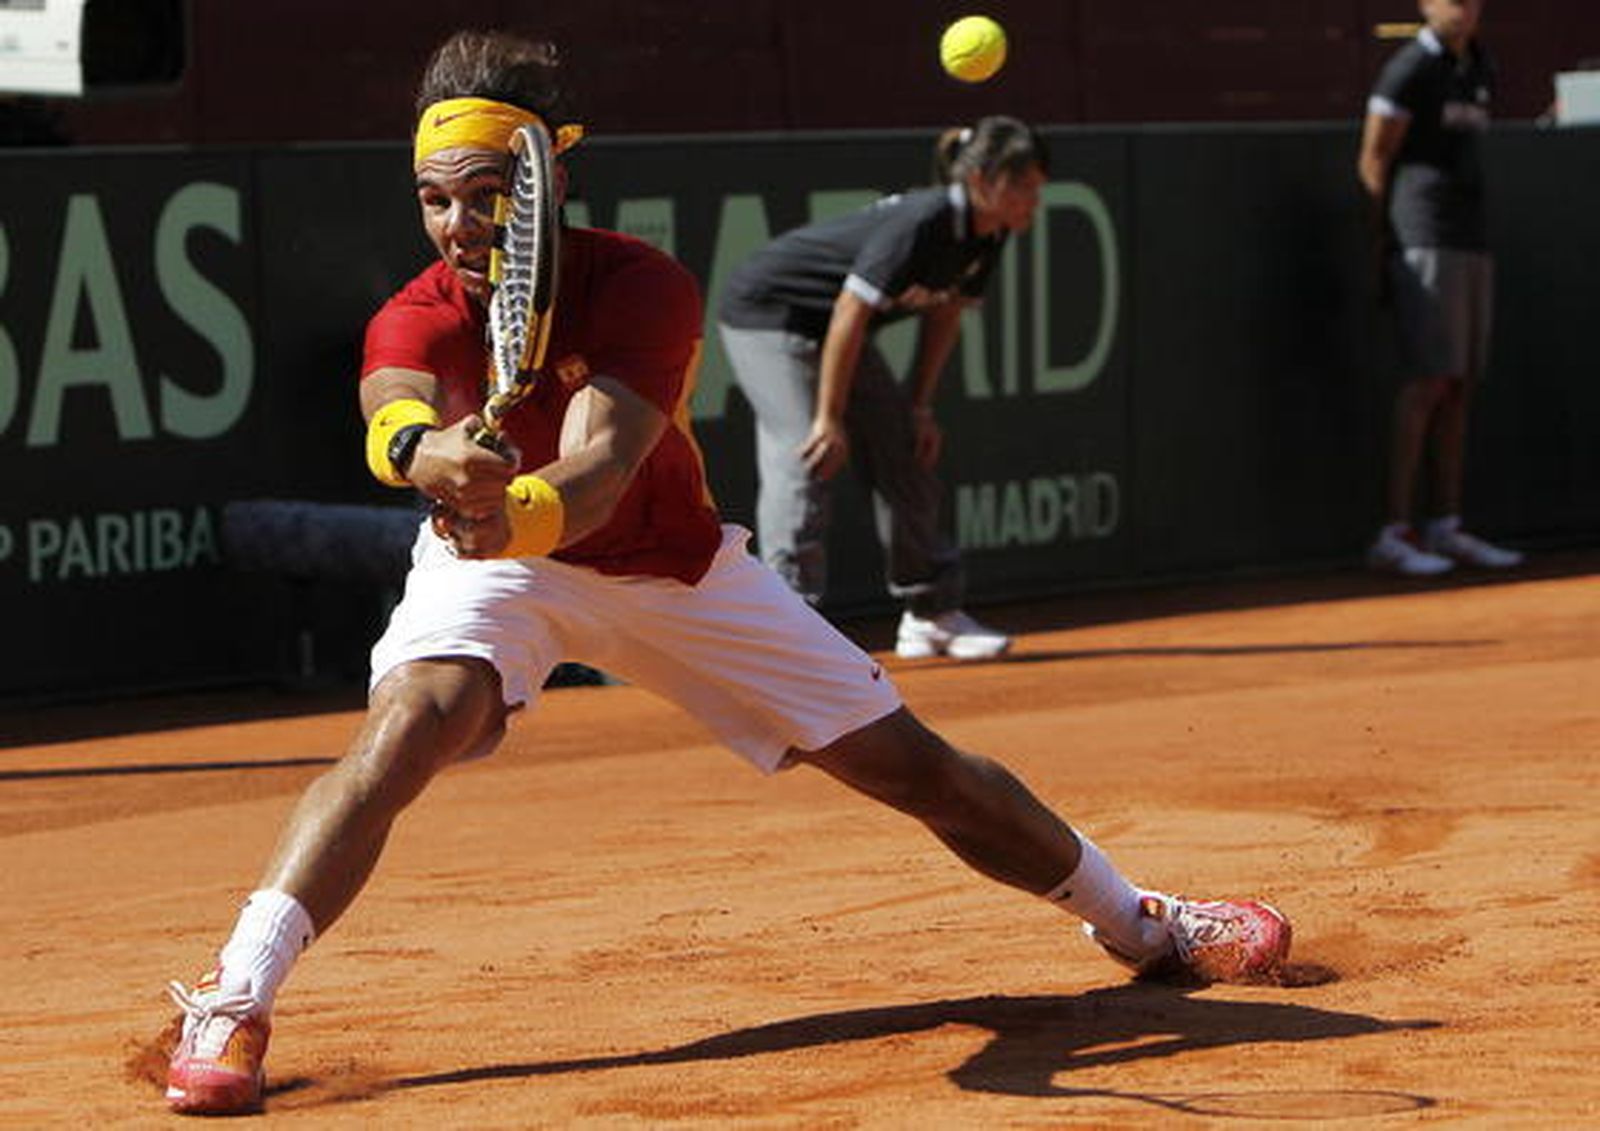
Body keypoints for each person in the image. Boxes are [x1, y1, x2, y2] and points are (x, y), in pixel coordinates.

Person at [160, 31, 1291, 1116]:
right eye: (434, 197)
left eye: (485, 191)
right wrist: (421, 449)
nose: (459, 223)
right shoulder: (414, 311)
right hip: (501, 576)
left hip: (672, 569)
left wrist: (517, 510)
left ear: (552, 174)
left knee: (915, 770)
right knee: (411, 724)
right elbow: (390, 399)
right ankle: (232, 1003)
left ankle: (1144, 926)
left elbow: (600, 474)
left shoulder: (642, 287)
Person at [716, 117, 1041, 660]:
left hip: (835, 328)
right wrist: (828, 416)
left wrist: (918, 407)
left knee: (904, 447)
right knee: (809, 453)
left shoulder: (991, 234)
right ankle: (790, 633)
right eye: (1023, 184)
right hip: (769, 314)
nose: (1035, 197)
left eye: (1038, 184)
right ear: (983, 179)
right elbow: (850, 309)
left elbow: (946, 312)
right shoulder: (922, 221)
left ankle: (931, 613)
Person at [1358, 0, 1523, 576]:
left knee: (1459, 385)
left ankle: (1445, 524)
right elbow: (1374, 158)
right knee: (1427, 380)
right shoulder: (1410, 68)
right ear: (1426, 5)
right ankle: (1394, 530)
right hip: (1421, 235)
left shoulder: (1480, 66)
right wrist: (1383, 238)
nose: (1465, 7)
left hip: (1469, 238)